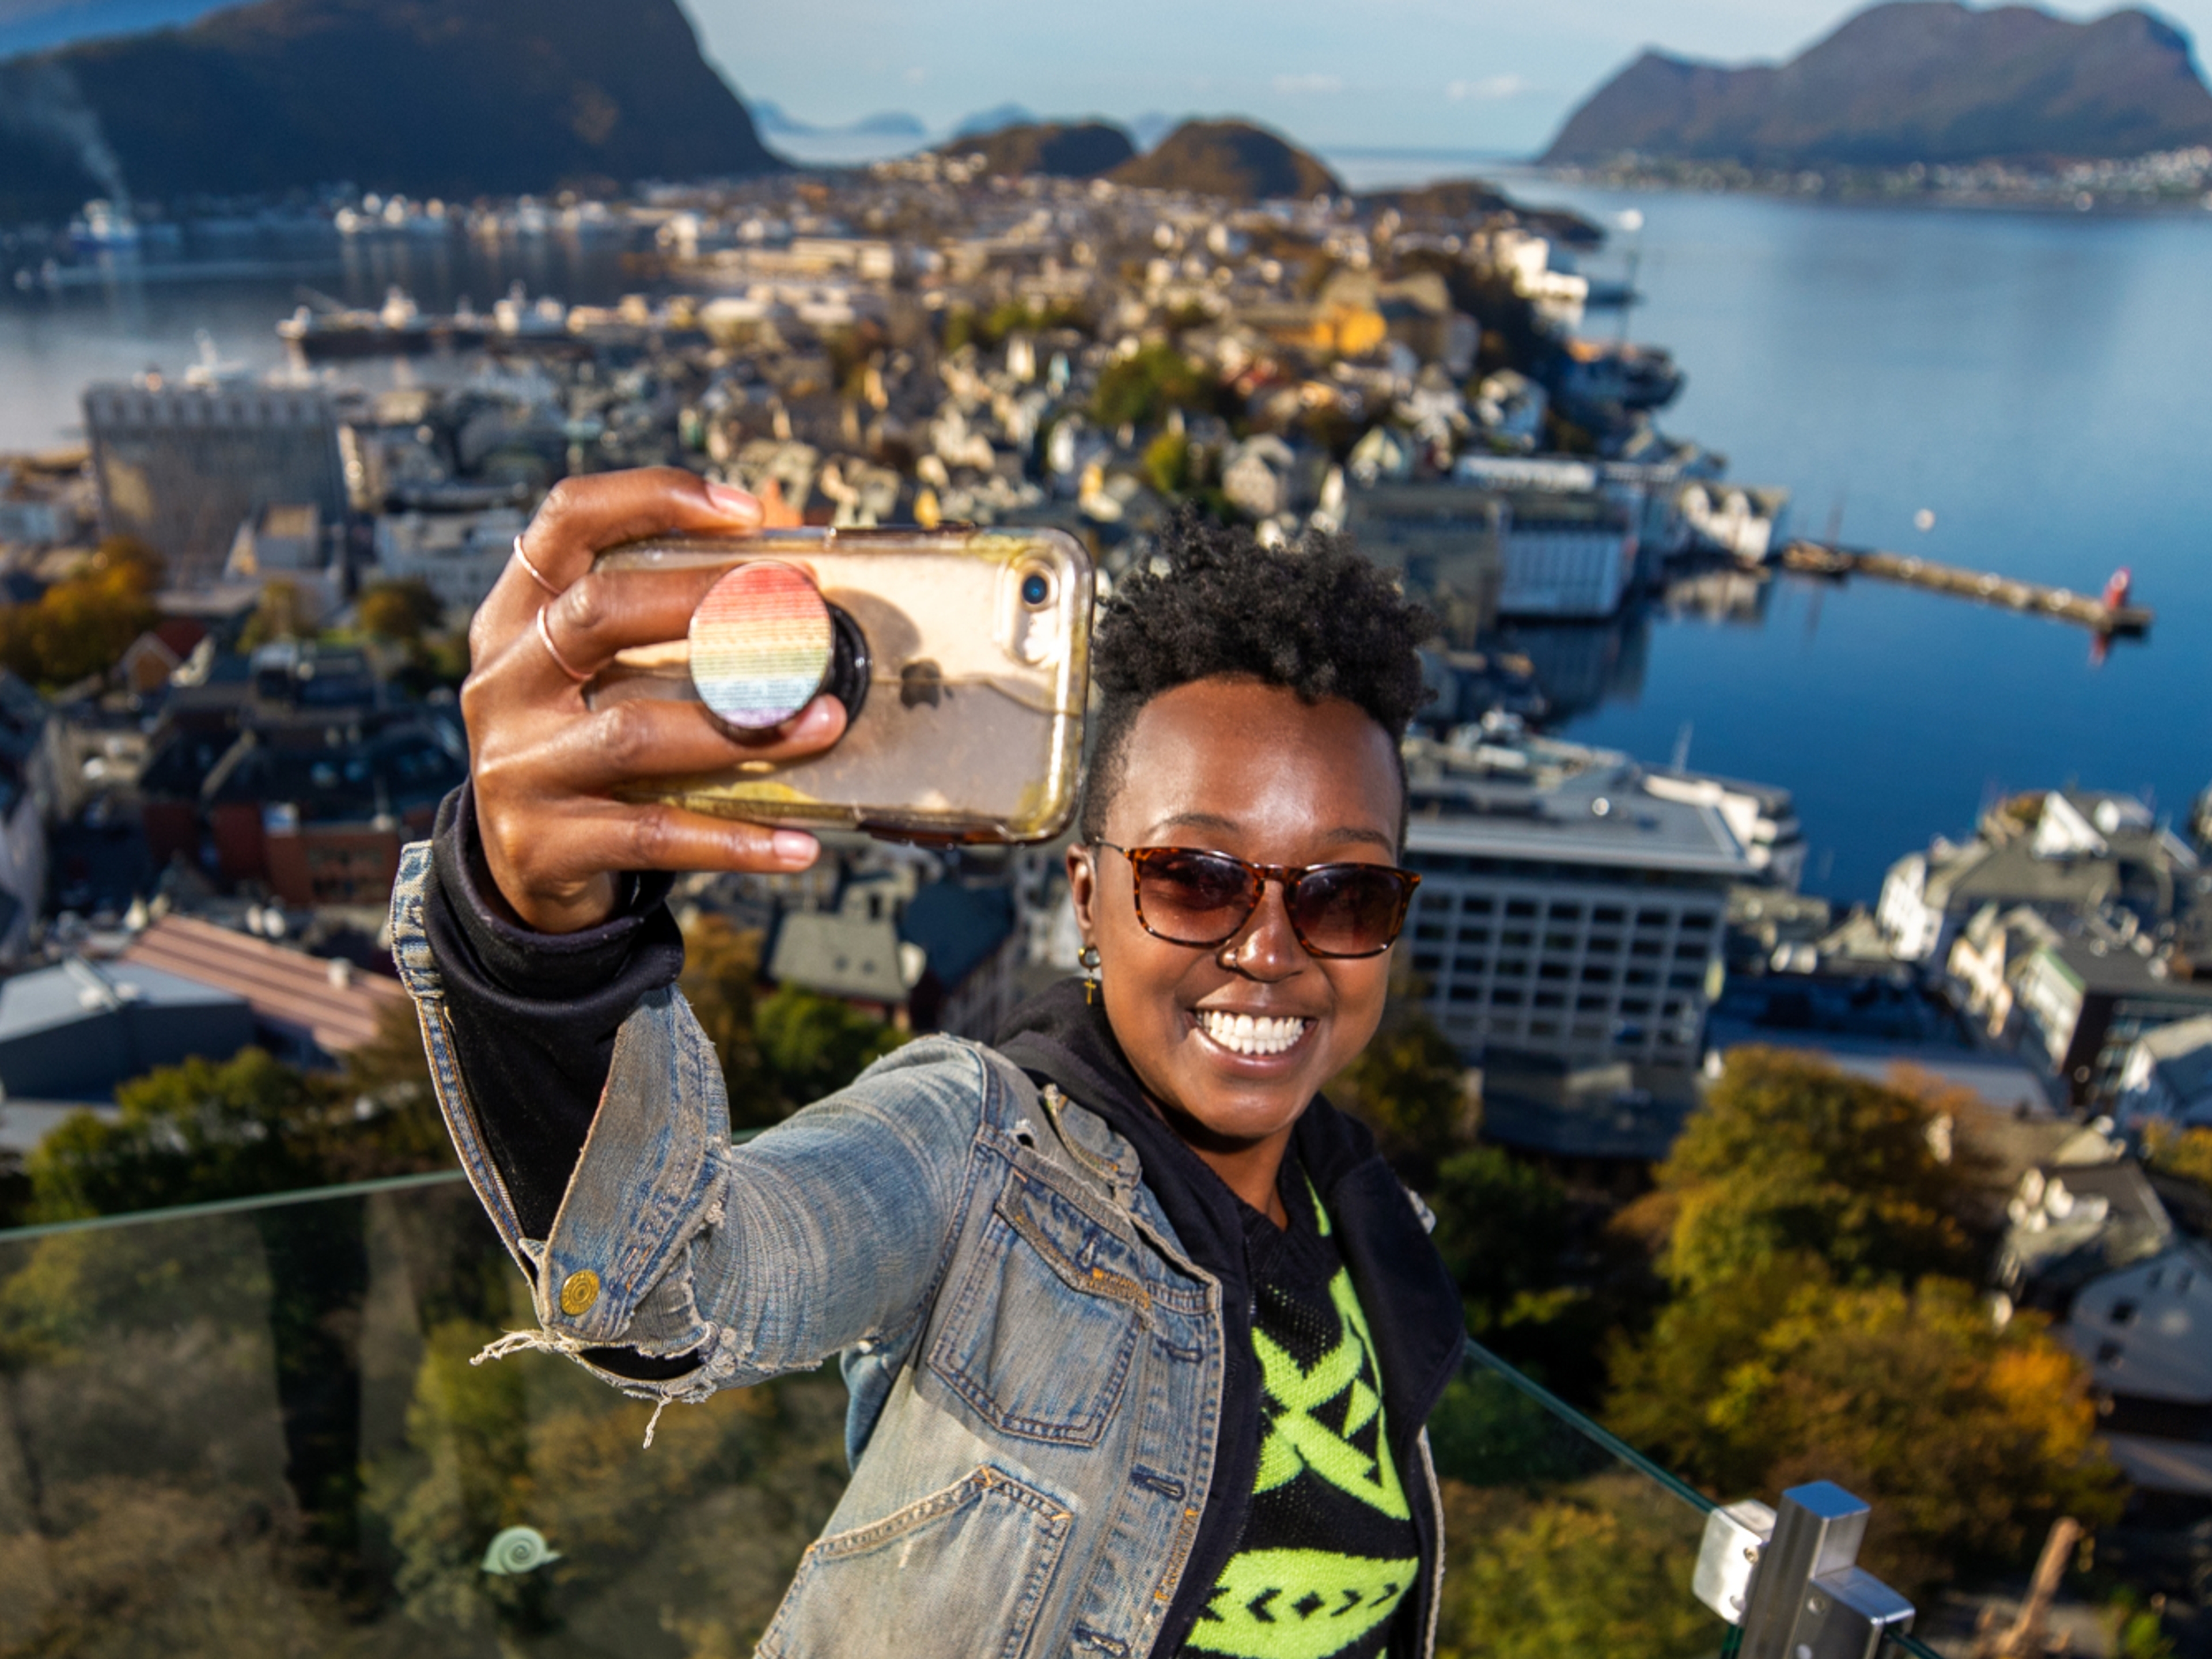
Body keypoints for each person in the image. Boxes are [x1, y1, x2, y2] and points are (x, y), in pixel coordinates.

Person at [389, 468, 1464, 1659]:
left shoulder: (1372, 1221)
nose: (1270, 949)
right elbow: (683, 1287)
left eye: (1345, 893)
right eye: (1195, 878)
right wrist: (539, 942)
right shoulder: (976, 1152)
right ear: (1087, 902)